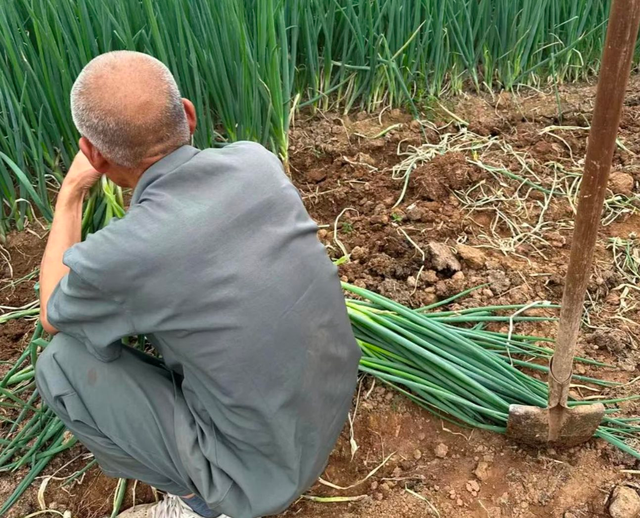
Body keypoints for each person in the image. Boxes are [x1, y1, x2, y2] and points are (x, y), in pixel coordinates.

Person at [35, 50, 361, 518]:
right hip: (326, 410)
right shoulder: (257, 162)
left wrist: (70, 196)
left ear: (93, 154)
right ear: (188, 115)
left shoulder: (126, 253)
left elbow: (51, 312)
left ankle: (202, 504)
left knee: (61, 364)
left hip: (258, 480)